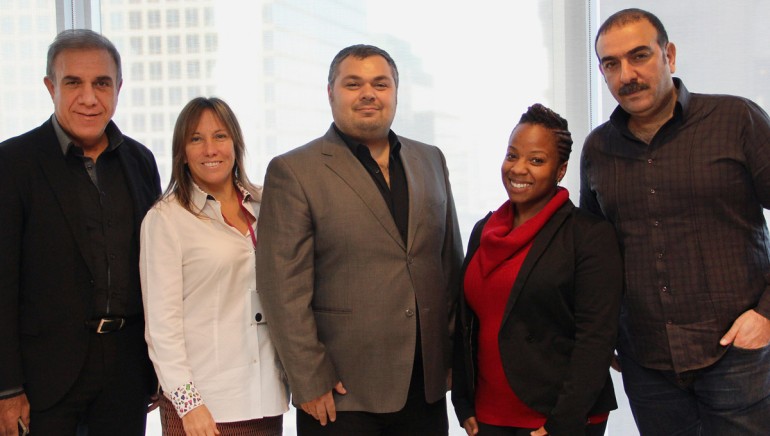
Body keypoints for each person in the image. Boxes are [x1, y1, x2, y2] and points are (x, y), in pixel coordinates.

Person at [255, 44, 463, 435]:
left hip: (426, 388)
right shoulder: (294, 171)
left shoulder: (430, 159)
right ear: (330, 93)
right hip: (340, 393)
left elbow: (448, 264)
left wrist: (451, 357)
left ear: (395, 93)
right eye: (353, 83)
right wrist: (309, 379)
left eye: (380, 83)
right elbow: (282, 288)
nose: (369, 93)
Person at [581, 8, 770, 435]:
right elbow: (595, 254)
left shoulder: (735, 120)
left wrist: (767, 313)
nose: (626, 74)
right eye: (611, 64)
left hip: (736, 357)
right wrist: (605, 333)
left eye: (639, 56)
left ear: (669, 55)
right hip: (647, 364)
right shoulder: (597, 149)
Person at [0, 29, 161, 435]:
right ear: (50, 87)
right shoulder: (12, 163)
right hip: (42, 382)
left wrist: (158, 368)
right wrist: (6, 389)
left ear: (119, 88)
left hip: (127, 376)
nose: (89, 97)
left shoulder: (141, 162)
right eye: (74, 83)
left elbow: (156, 272)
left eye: (102, 83)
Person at [452, 104, 623, 436]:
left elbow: (596, 338)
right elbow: (467, 323)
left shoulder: (588, 235)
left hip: (555, 417)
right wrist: (462, 400)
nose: (518, 169)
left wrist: (562, 423)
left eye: (536, 160)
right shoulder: (484, 230)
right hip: (488, 413)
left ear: (560, 171)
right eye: (512, 155)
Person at [140, 97, 289, 436]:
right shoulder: (165, 220)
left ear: (236, 143)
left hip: (266, 398)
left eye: (220, 136)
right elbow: (162, 327)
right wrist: (188, 404)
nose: (210, 149)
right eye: (196, 139)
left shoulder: (267, 204)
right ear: (182, 151)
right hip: (205, 408)